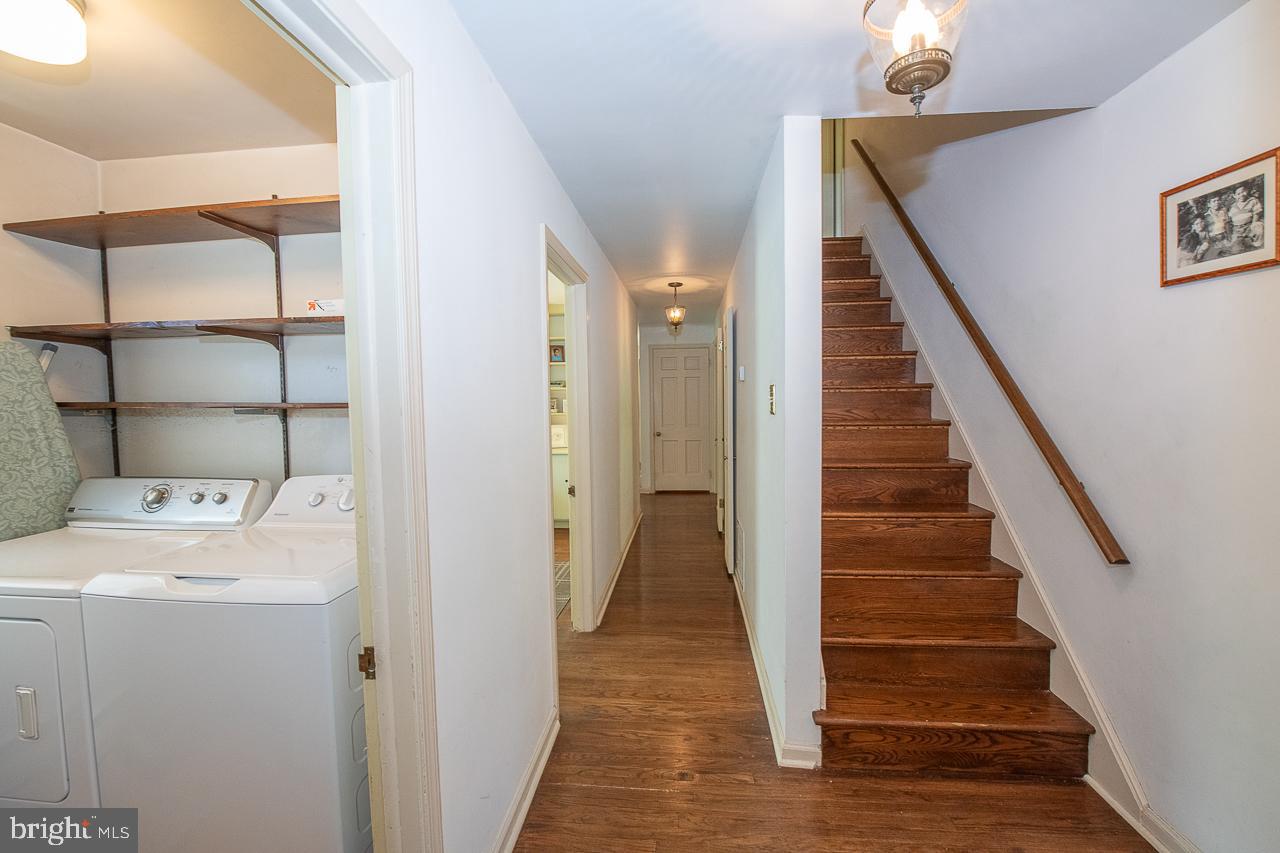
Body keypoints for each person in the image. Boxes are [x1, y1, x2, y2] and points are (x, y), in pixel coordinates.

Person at [1228, 184, 1265, 252]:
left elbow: (1257, 213)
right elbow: (1230, 220)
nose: (1241, 195)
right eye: (1238, 194)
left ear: (1247, 191)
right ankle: (1243, 243)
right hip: (1237, 230)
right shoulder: (1233, 206)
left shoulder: (1252, 201)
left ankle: (1257, 245)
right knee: (1236, 248)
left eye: (1243, 192)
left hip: (1250, 225)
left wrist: (1252, 225)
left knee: (1258, 225)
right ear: (1234, 196)